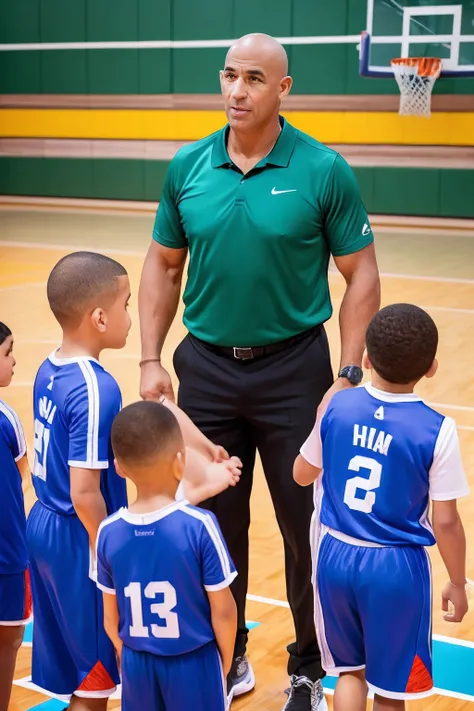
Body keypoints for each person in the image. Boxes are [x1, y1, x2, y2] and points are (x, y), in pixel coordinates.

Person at [139, 31, 380, 709]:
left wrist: (350, 371)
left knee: (305, 524)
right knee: (211, 523)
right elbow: (162, 262)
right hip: (206, 369)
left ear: (283, 89)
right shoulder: (188, 166)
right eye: (228, 76)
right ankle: (230, 654)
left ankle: (306, 663)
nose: (236, 90)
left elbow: (360, 273)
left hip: (296, 372)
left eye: (252, 78)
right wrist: (152, 357)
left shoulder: (323, 169)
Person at [27, 251, 242, 708]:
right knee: (96, 685)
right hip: (75, 533)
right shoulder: (94, 386)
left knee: (79, 677)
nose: (131, 316)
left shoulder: (51, 367)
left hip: (42, 522)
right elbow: (85, 492)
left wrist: (199, 443)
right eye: (126, 305)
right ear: (99, 318)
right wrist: (109, 548)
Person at [294, 303, 469, 711]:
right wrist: (458, 582)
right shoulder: (436, 430)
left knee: (350, 673)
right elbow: (446, 521)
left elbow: (301, 474)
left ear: (367, 359)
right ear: (432, 368)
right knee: (392, 689)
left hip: (334, 555)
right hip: (395, 568)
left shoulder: (336, 406)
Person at [97, 401, 239, 711]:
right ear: (181, 460)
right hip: (194, 661)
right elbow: (225, 610)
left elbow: (110, 618)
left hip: (137, 663)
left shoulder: (107, 532)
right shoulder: (199, 525)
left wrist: (130, 654)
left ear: (119, 468)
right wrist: (224, 661)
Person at [0, 322, 31, 711]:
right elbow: (22, 472)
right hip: (7, 555)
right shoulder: (5, 417)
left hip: (8, 554)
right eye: (7, 353)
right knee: (8, 639)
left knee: (9, 637)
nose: (14, 361)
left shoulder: (7, 418)